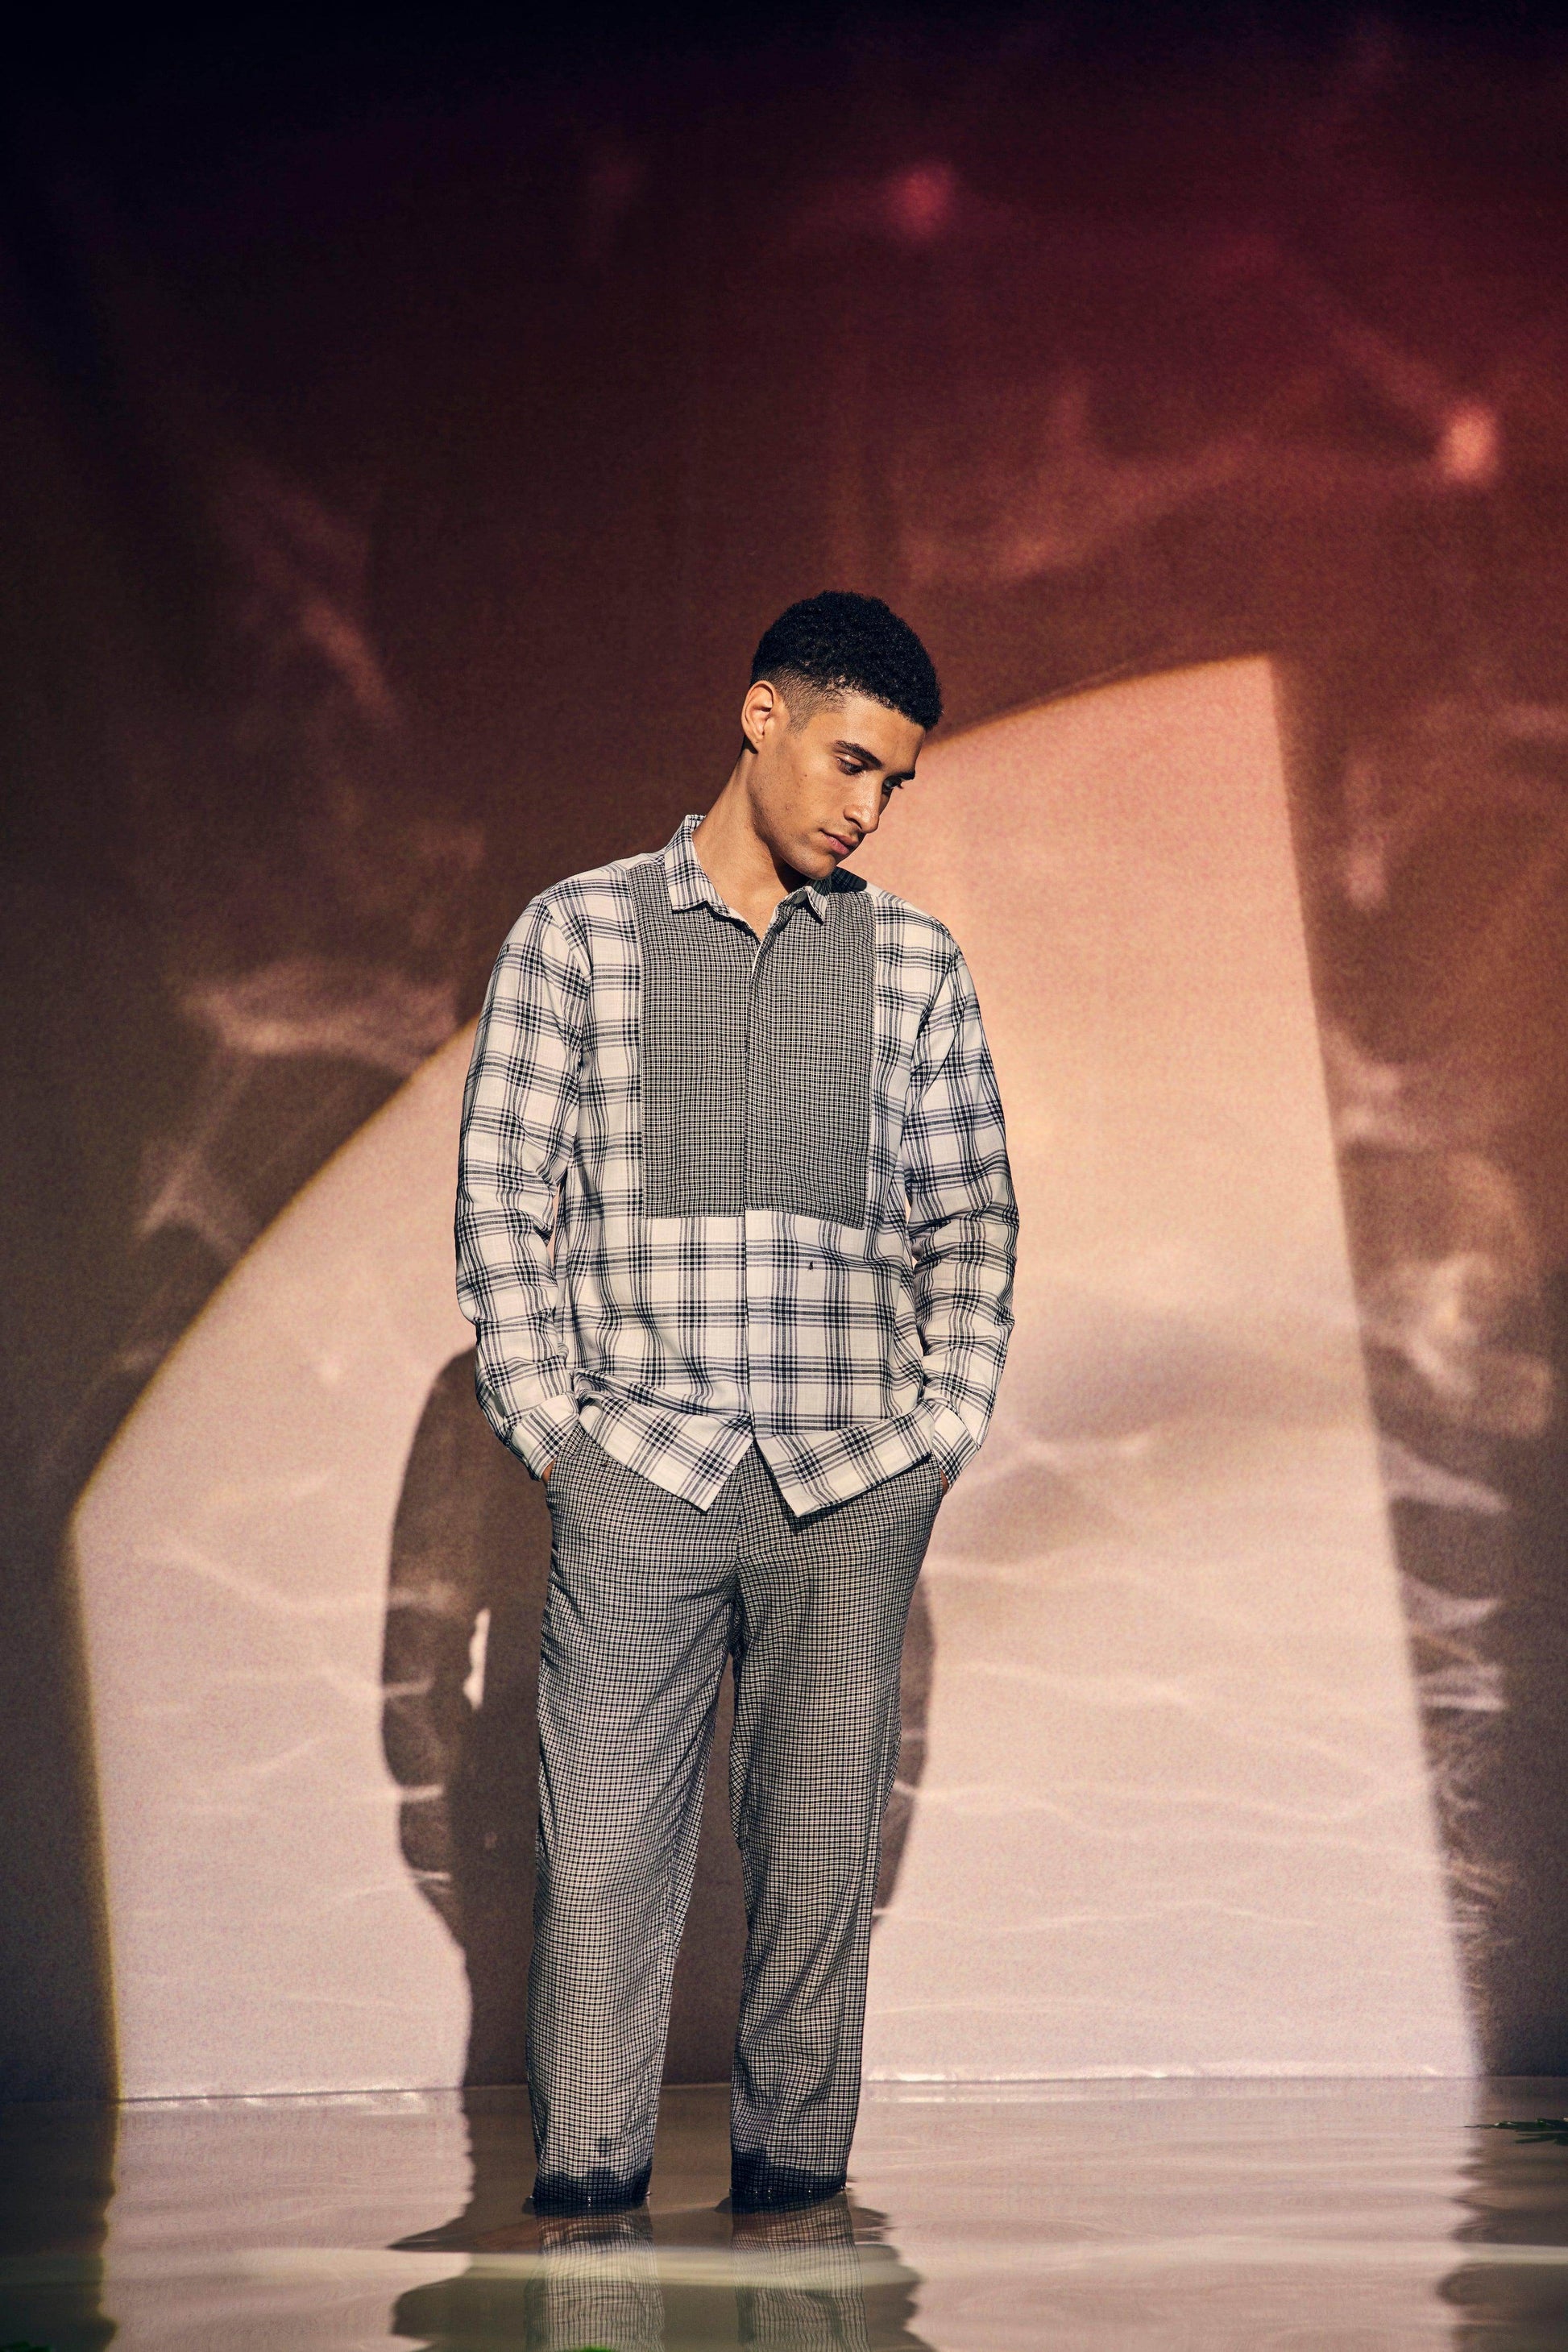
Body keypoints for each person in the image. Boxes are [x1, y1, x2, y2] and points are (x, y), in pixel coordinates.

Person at [454, 589, 1017, 2216]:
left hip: (850, 1480)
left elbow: (971, 1212)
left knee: (818, 1878)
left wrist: (937, 1433)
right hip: (641, 1467)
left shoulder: (911, 961)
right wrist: (555, 1432)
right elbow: (503, 1198)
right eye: (850, 760)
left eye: (892, 781)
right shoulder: (575, 935)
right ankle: (586, 2214)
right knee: (601, 1872)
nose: (866, 806)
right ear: (761, 715)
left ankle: (795, 2219)